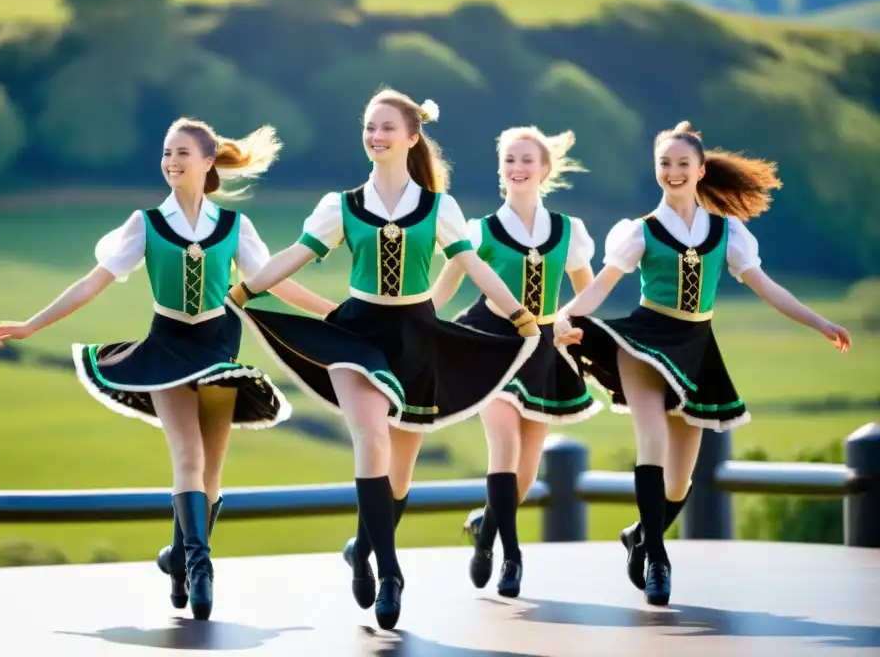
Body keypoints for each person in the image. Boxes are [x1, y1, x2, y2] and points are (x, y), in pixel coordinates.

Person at [0, 118, 336, 620]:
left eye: (182, 154)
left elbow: (273, 283)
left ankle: (179, 561)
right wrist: (31, 325)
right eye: (166, 153)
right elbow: (92, 283)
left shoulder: (236, 227)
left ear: (208, 162)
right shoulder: (144, 223)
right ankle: (201, 566)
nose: (171, 162)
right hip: (167, 347)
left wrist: (336, 314)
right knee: (188, 457)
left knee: (211, 473)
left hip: (218, 347)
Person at [224, 88, 540, 630]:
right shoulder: (340, 205)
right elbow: (294, 257)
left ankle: (364, 548)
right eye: (369, 127)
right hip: (356, 336)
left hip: (417, 339)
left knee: (398, 473)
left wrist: (520, 316)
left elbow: (473, 266)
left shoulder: (441, 209)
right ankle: (391, 572)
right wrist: (244, 292)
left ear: (412, 136)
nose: (375, 136)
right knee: (370, 439)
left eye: (386, 127)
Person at [553, 120, 852, 606]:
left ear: (700, 170)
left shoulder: (727, 233)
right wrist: (565, 314)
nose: (672, 172)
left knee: (680, 480)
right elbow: (602, 284)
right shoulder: (640, 232)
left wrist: (819, 322)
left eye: (682, 164)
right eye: (664, 164)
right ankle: (658, 561)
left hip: (695, 349)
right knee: (651, 445)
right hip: (645, 343)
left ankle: (640, 536)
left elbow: (768, 288)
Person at [426, 125, 602, 598]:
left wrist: (568, 321)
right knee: (502, 448)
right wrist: (418, 324)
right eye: (510, 160)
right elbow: (446, 285)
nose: (518, 168)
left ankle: (485, 532)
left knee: (527, 467)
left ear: (545, 170)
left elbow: (587, 294)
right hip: (490, 342)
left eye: (527, 160)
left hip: (543, 347)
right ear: (501, 169)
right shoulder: (479, 230)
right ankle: (512, 557)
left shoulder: (570, 231)